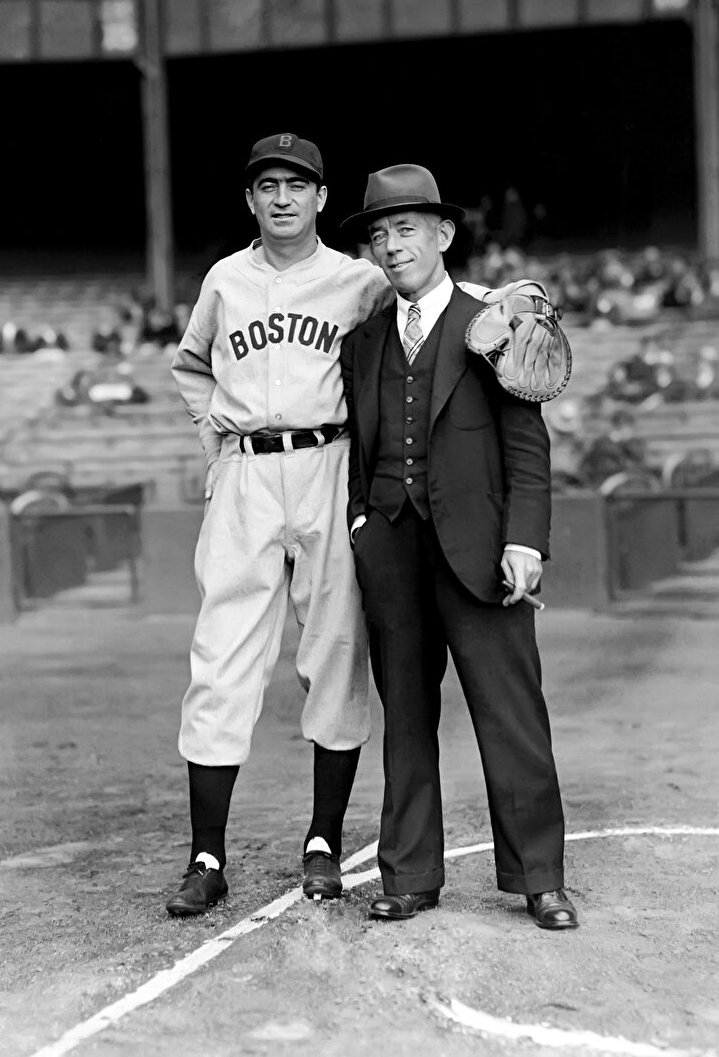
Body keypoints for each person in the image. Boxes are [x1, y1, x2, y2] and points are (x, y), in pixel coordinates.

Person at [164, 135, 495, 918]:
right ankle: (206, 855)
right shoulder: (224, 280)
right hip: (247, 470)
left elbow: (432, 296)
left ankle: (321, 843)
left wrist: (504, 298)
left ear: (320, 198)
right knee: (221, 654)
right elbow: (190, 363)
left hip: (328, 464)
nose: (282, 197)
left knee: (336, 650)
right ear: (250, 200)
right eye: (267, 185)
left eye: (298, 184)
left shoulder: (359, 280)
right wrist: (218, 435)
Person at [339, 164, 577, 930]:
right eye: (379, 234)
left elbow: (526, 450)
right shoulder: (365, 339)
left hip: (482, 552)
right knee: (405, 718)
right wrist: (360, 524)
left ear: (442, 235)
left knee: (511, 714)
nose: (390, 245)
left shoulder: (496, 321)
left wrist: (524, 540)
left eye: (405, 229)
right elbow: (363, 448)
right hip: (393, 552)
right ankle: (409, 873)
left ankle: (539, 876)